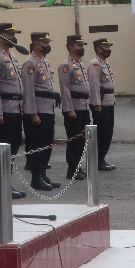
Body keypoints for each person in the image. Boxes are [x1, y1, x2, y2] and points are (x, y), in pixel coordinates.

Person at [0, 21, 26, 200]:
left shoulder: (11, 55)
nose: (13, 37)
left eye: (13, 34)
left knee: (14, 146)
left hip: (16, 109)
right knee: (3, 149)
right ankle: (1, 187)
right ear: (0, 36)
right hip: (4, 110)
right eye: (9, 34)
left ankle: (7, 184)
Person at [21, 31, 61, 191]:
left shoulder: (44, 62)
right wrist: (33, 113)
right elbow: (28, 91)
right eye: (44, 42)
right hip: (38, 110)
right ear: (36, 44)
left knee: (47, 144)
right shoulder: (30, 63)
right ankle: (36, 178)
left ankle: (43, 174)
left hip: (47, 108)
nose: (47, 45)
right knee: (37, 144)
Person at [58, 33, 92, 182]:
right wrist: (69, 109)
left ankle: (78, 166)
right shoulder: (66, 65)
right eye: (78, 45)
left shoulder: (80, 64)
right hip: (74, 109)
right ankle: (72, 169)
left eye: (82, 45)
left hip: (83, 107)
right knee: (74, 140)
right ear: (71, 47)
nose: (81, 47)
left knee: (83, 139)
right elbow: (65, 90)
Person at [88, 37, 117, 172]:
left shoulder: (104, 64)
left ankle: (102, 159)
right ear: (98, 49)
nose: (108, 49)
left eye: (109, 47)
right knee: (102, 133)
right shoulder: (95, 64)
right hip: (102, 104)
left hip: (109, 103)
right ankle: (97, 160)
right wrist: (96, 104)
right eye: (105, 47)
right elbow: (94, 86)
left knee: (108, 133)